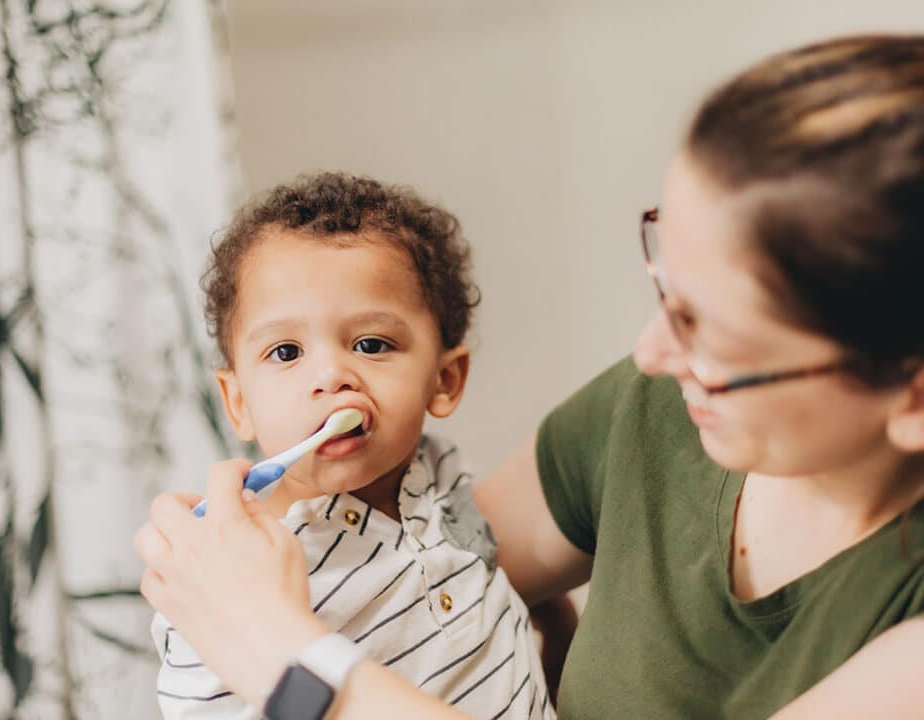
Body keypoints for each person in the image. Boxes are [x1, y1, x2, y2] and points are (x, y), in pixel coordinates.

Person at [135, 34, 924, 719]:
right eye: (666, 278)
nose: (649, 354)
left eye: (707, 328)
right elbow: (458, 579)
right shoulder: (656, 410)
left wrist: (279, 654)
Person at [147, 173, 554, 719]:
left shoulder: (439, 471)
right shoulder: (240, 570)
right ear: (238, 400)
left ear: (445, 380)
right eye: (287, 352)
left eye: (370, 344)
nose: (331, 375)